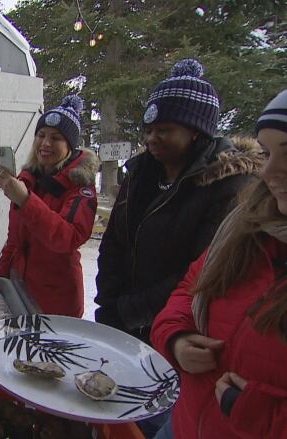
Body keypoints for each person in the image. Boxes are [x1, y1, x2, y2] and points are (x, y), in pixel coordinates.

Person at [95, 59, 262, 345]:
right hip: (124, 320)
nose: (151, 139)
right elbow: (114, 242)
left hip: (181, 329)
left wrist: (131, 311)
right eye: (148, 130)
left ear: (195, 130)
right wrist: (109, 301)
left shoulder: (228, 186)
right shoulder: (140, 175)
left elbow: (200, 270)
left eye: (164, 130)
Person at [151, 89, 287, 439]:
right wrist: (177, 339)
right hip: (185, 420)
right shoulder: (246, 227)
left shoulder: (224, 189)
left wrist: (262, 414)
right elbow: (190, 288)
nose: (269, 171)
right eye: (268, 152)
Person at [0, 95, 99, 317]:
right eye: (41, 135)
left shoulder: (80, 185)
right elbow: (14, 241)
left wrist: (26, 201)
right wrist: (0, 282)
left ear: (70, 145)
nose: (45, 144)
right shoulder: (28, 178)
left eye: (56, 138)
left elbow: (69, 237)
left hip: (56, 298)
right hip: (19, 287)